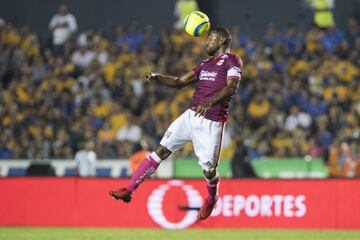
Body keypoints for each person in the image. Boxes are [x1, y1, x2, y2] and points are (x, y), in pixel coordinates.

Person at [109, 28, 243, 221]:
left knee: (208, 170)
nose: (206, 42)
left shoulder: (232, 60)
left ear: (222, 40)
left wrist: (210, 102)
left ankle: (212, 198)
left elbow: (232, 87)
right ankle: (129, 190)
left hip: (212, 122)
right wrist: (157, 76)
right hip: (190, 116)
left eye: (210, 38)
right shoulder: (204, 64)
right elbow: (180, 81)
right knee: (161, 151)